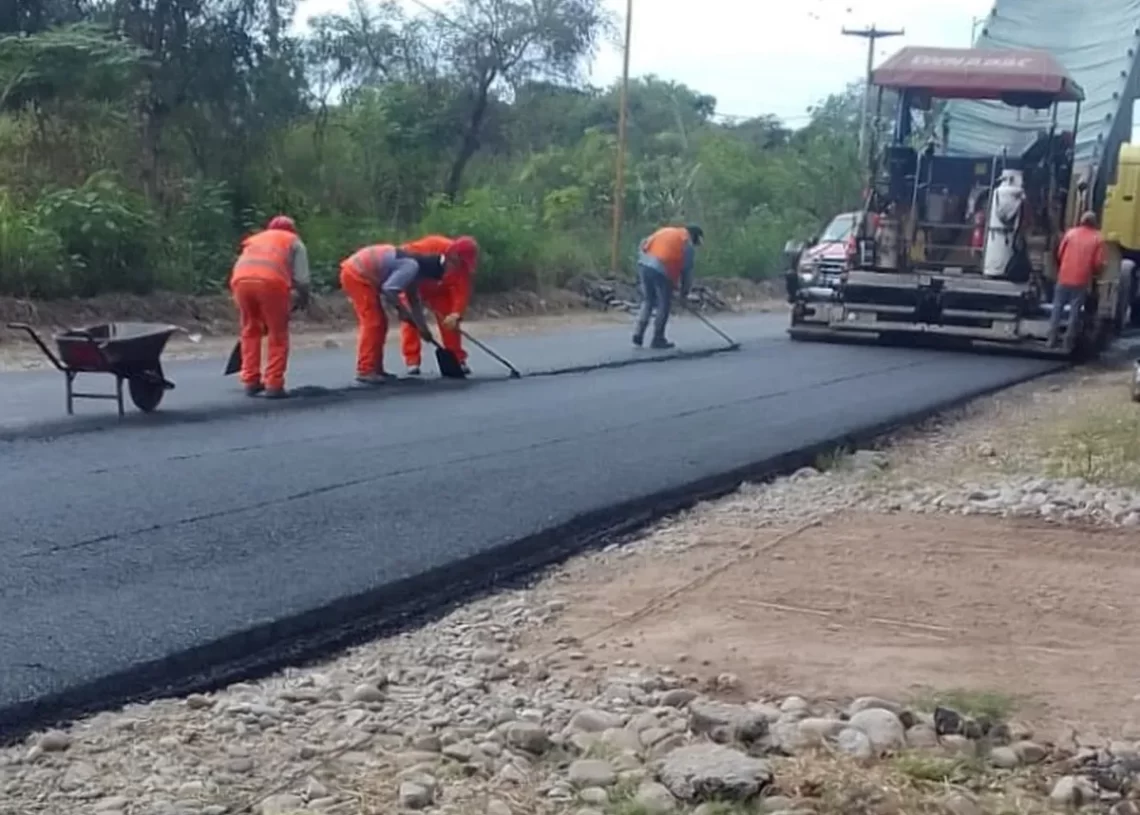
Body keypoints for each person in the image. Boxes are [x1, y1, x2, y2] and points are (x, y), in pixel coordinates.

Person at [229, 214, 311, 398]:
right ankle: (274, 384)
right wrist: (303, 299)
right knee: (277, 333)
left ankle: (250, 381)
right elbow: (302, 279)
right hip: (271, 284)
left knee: (250, 330)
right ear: (293, 229)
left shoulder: (254, 240)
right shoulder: (293, 241)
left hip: (240, 282)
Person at [339, 242, 435, 384]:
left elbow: (414, 301)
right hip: (356, 274)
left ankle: (375, 368)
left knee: (381, 323)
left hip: (363, 275)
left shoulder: (413, 268)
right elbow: (389, 290)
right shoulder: (411, 267)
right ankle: (366, 369)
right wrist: (402, 311)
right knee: (373, 322)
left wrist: (422, 328)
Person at [398, 234, 480, 375]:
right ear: (453, 254)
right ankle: (412, 361)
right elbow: (401, 255)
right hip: (415, 284)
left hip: (440, 291)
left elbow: (461, 291)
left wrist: (456, 313)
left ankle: (457, 358)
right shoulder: (431, 245)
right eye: (459, 261)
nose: (460, 265)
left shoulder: (463, 267)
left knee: (450, 323)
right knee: (411, 320)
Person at [634, 224, 703, 349]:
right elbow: (686, 274)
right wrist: (684, 294)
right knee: (664, 304)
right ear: (695, 237)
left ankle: (638, 333)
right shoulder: (686, 243)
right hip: (661, 268)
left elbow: (644, 244)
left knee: (649, 300)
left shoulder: (668, 231)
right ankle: (658, 338)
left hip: (644, 264)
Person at [1048, 211, 1105, 350]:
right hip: (1081, 280)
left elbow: (1060, 253)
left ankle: (1051, 339)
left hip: (1064, 276)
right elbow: (1097, 263)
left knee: (1057, 308)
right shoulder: (1098, 238)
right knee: (1075, 311)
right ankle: (1068, 341)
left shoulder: (1070, 234)